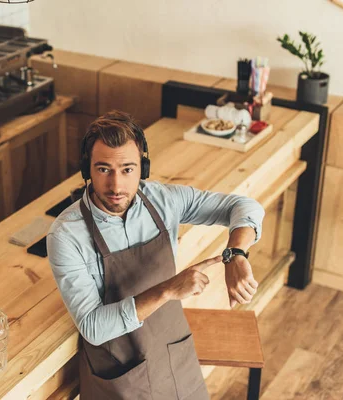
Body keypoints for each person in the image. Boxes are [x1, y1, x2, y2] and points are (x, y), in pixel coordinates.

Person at [46, 110, 265, 399]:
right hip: (119, 377)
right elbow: (93, 327)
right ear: (87, 169)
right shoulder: (66, 235)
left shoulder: (164, 201)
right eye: (103, 169)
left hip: (174, 356)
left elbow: (244, 206)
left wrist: (236, 253)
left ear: (143, 168)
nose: (116, 186)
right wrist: (168, 290)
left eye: (127, 169)